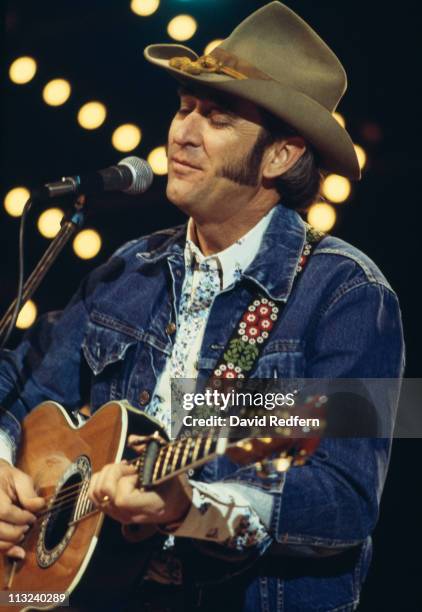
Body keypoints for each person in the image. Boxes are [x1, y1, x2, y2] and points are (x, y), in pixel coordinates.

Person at [0, 2, 404, 611]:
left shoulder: (346, 295)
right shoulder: (128, 270)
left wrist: (193, 509)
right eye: (183, 108)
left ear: (280, 156)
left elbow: (343, 498)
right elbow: (17, 383)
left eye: (215, 118)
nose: (180, 133)